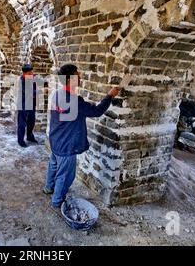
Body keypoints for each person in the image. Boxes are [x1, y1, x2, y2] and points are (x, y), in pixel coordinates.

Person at [44, 64, 121, 212]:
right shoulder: (74, 101)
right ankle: (57, 201)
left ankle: (48, 188)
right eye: (77, 75)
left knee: (54, 165)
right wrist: (110, 95)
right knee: (65, 175)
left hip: (55, 139)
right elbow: (97, 111)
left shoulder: (58, 94)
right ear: (69, 79)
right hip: (66, 145)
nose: (80, 77)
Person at [17, 64, 39, 147]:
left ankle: (30, 136)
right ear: (24, 73)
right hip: (23, 104)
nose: (32, 74)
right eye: (30, 73)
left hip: (31, 104)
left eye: (32, 72)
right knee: (22, 124)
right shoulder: (21, 81)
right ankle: (20, 140)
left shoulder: (31, 78)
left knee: (31, 122)